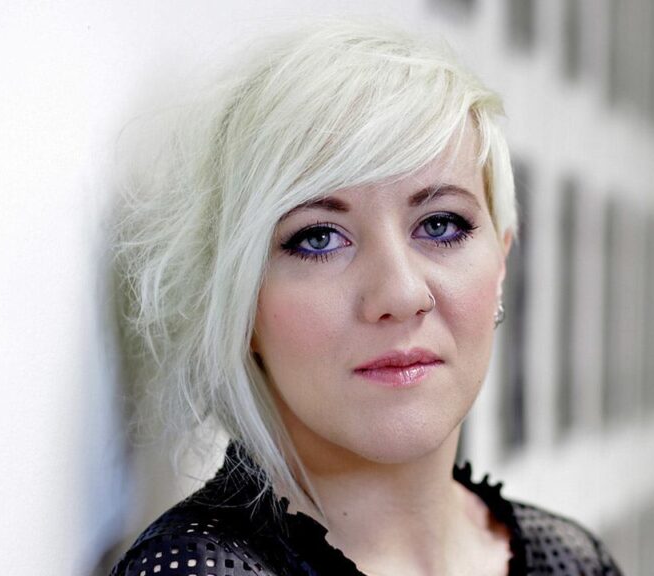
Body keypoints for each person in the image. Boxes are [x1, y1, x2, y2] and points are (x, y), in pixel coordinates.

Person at [110, 20, 622, 576]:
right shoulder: (194, 568)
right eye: (318, 238)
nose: (400, 294)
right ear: (241, 303)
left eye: (441, 225)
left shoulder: (575, 563)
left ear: (500, 263)